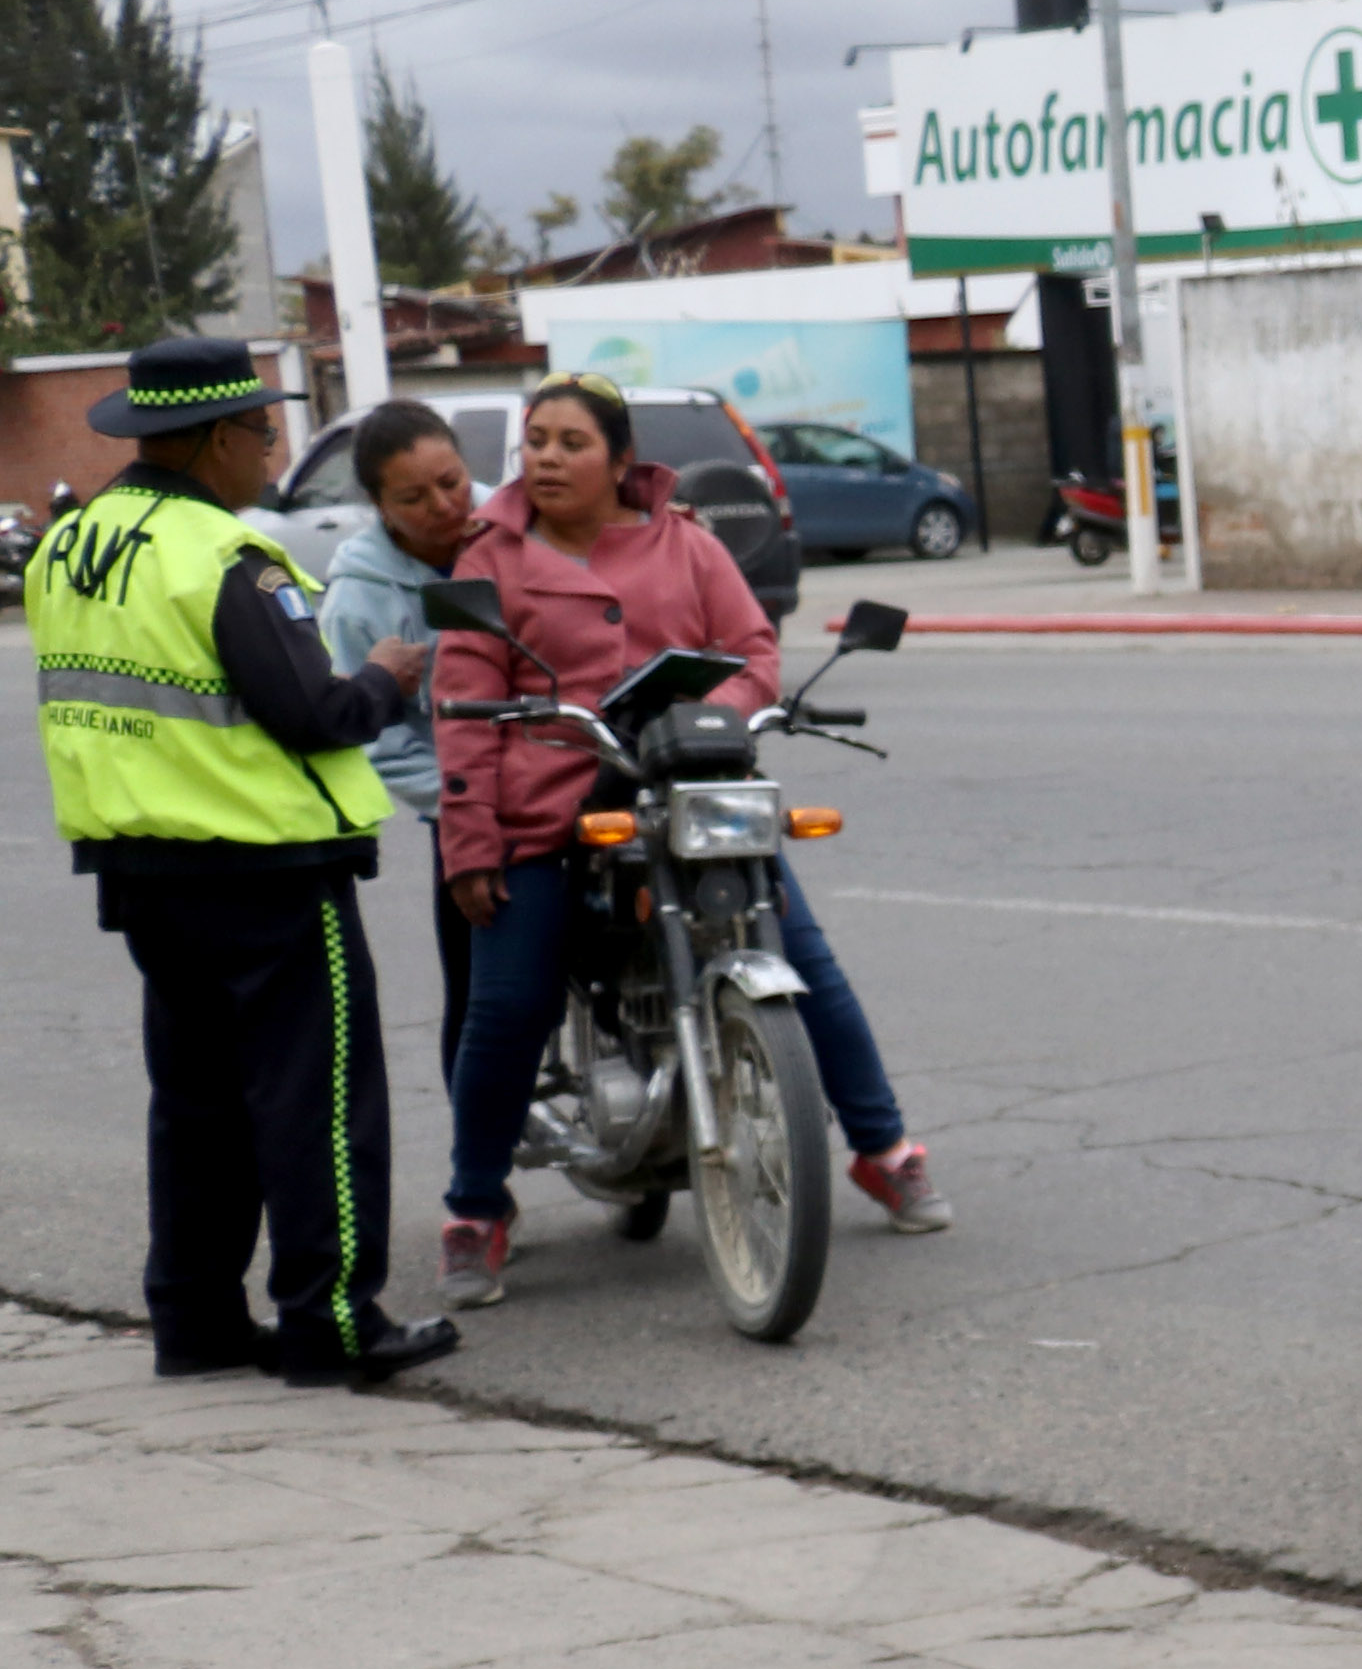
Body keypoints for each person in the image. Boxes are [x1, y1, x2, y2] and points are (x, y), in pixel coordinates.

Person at [435, 376, 946, 1304]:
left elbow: (755, 651)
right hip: (550, 811)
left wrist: (710, 718)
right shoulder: (490, 561)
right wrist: (470, 842)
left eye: (571, 443)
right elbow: (462, 712)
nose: (546, 458)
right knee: (509, 1002)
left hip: (695, 791)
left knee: (806, 959)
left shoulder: (688, 541)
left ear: (621, 462)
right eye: (537, 441)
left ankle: (883, 1149)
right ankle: (475, 1209)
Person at [18, 336, 457, 1386]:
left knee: (199, 1105)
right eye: (263, 433)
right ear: (217, 439)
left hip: (141, 867)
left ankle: (197, 1319)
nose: (273, 452)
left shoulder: (72, 546)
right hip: (264, 868)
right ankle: (332, 1321)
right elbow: (313, 713)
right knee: (315, 1100)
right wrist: (388, 679)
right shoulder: (226, 561)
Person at [316, 402, 483, 1067]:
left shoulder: (520, 526)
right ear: (381, 507)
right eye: (414, 497)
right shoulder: (358, 598)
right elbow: (378, 740)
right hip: (468, 806)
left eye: (453, 481)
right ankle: (477, 1168)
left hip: (562, 775)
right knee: (481, 993)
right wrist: (462, 803)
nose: (444, 506)